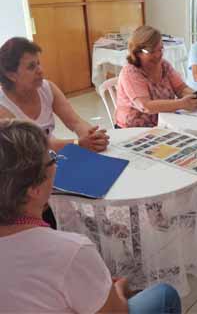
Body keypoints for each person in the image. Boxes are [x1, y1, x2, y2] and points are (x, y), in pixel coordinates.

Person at [0, 119, 181, 313]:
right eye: (53, 158)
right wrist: (118, 290)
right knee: (164, 294)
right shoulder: (70, 250)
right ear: (33, 189)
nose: (56, 164)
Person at [0, 37, 109, 153]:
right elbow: (33, 146)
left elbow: (75, 122)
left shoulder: (48, 88)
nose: (40, 70)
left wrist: (93, 137)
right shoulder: (3, 106)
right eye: (31, 67)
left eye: (38, 63)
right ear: (11, 75)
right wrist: (79, 143)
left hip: (50, 155)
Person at [115, 26, 197, 128]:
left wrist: (194, 96)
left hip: (162, 124)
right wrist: (181, 104)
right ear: (137, 52)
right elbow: (146, 106)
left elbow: (180, 88)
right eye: (151, 51)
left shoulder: (164, 65)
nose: (158, 55)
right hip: (133, 129)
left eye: (160, 49)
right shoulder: (130, 72)